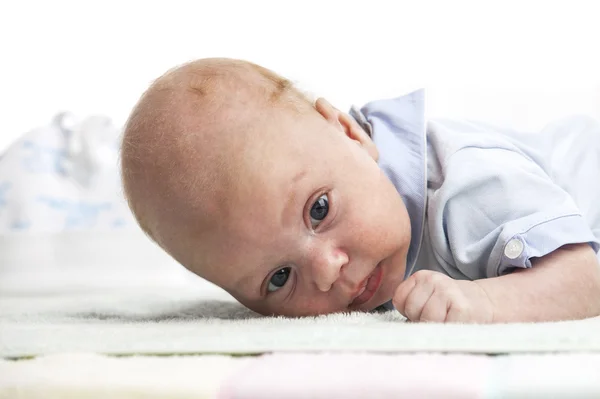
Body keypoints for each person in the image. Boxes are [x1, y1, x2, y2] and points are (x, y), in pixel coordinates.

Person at [120, 58, 600, 323]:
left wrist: (487, 303)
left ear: (350, 133)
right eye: (280, 278)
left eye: (319, 209)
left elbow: (585, 279)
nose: (328, 272)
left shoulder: (463, 183)